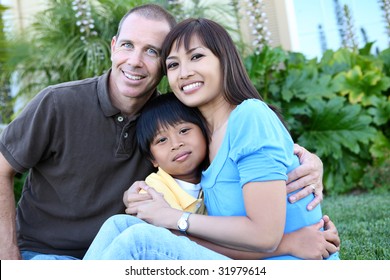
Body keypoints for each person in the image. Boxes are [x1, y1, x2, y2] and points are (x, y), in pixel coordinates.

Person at [0, 4, 327, 260]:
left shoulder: (173, 119)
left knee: (137, 236)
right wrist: (10, 263)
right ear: (113, 47)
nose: (136, 61)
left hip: (136, 252)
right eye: (128, 45)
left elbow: (259, 146)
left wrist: (305, 161)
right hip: (49, 254)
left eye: (153, 52)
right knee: (124, 227)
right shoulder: (59, 103)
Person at [83, 92, 339, 260]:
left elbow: (256, 235)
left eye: (185, 130)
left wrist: (312, 160)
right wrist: (290, 243)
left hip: (263, 256)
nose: (176, 144)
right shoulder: (161, 188)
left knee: (139, 240)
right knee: (118, 225)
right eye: (162, 140)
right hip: (249, 252)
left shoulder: (239, 137)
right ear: (152, 160)